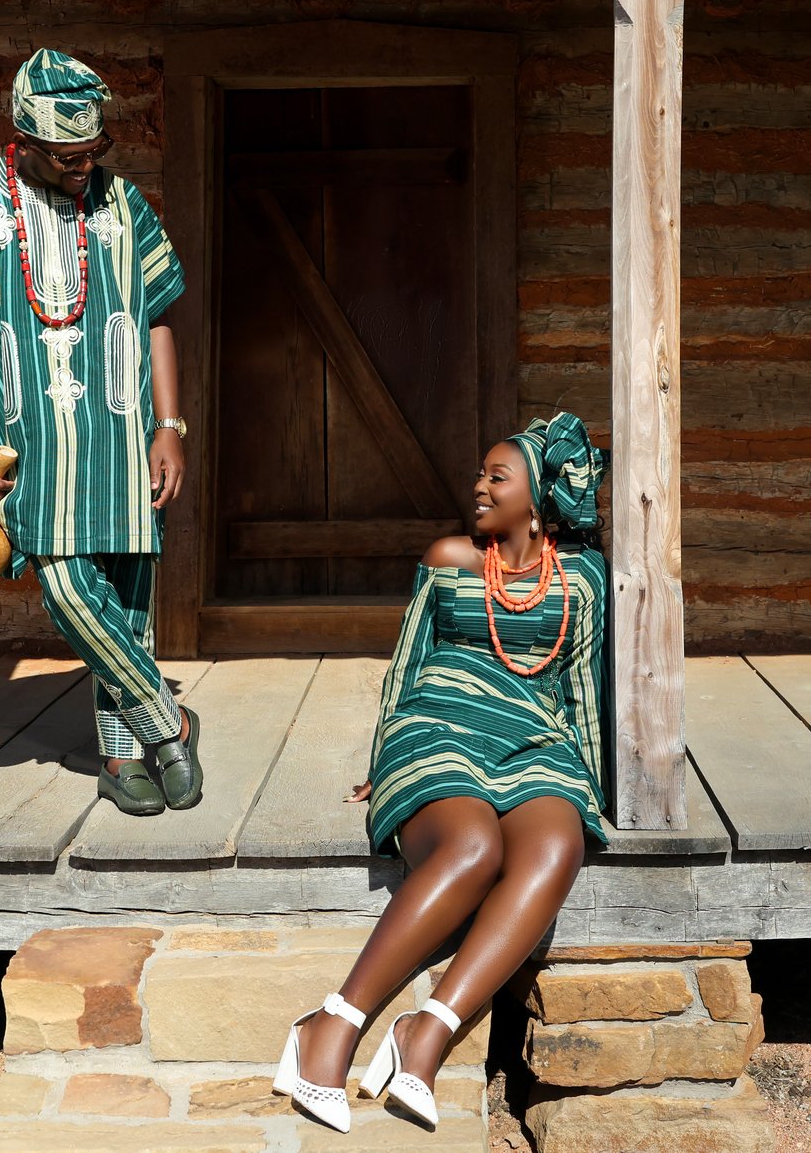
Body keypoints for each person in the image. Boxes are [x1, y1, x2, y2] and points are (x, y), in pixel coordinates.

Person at [274, 412, 610, 1133]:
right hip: (437, 724)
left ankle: (424, 1033)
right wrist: (382, 759)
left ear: (538, 497)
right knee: (473, 846)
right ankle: (329, 1026)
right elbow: (405, 664)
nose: (479, 485)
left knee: (558, 844)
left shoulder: (581, 579)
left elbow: (582, 685)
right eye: (481, 473)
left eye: (498, 476)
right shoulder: (450, 555)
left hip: (534, 738)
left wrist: (591, 782)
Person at [0, 49, 202, 817]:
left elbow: (156, 318)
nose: (84, 165)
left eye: (93, 151)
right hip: (26, 442)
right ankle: (167, 721)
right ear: (25, 139)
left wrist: (169, 425)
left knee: (128, 598)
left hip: (121, 437)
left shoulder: (121, 204)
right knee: (69, 588)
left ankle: (121, 761)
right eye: (66, 155)